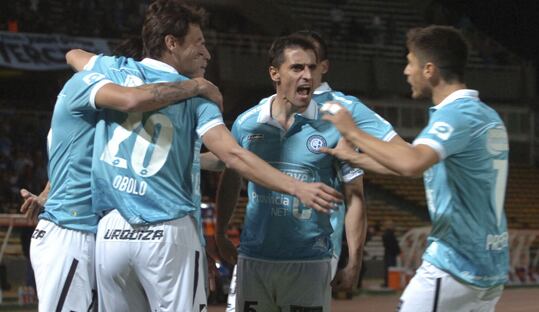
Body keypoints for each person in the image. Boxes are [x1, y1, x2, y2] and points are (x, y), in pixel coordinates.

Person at [67, 1, 341, 311]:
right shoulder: (200, 97)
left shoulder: (114, 72)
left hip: (112, 232)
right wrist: (296, 187)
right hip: (168, 232)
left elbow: (73, 55)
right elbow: (234, 155)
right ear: (172, 43)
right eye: (199, 44)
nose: (207, 54)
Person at [321, 25, 509, 312]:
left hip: (455, 264)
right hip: (490, 264)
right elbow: (416, 164)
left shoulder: (456, 115)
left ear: (429, 70)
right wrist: (356, 158)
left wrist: (353, 132)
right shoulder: (486, 115)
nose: (406, 71)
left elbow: (410, 163)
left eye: (410, 63)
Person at [25, 66, 225, 312]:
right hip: (70, 231)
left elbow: (73, 161)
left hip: (92, 232)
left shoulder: (99, 123)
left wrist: (47, 192)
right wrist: (196, 86)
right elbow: (133, 97)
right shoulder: (84, 84)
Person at [214, 34, 372, 311]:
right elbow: (231, 177)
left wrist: (354, 261)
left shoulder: (335, 125)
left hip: (309, 262)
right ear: (275, 73)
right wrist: (221, 231)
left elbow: (355, 194)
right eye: (297, 68)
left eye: (312, 68)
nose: (307, 75)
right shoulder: (247, 123)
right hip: (254, 259)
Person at [381, 219, 400, 288]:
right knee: (390, 268)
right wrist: (397, 251)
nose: (394, 226)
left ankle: (388, 282)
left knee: (389, 268)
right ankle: (388, 283)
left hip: (389, 253)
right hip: (390, 254)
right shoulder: (389, 234)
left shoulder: (388, 234)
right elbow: (392, 245)